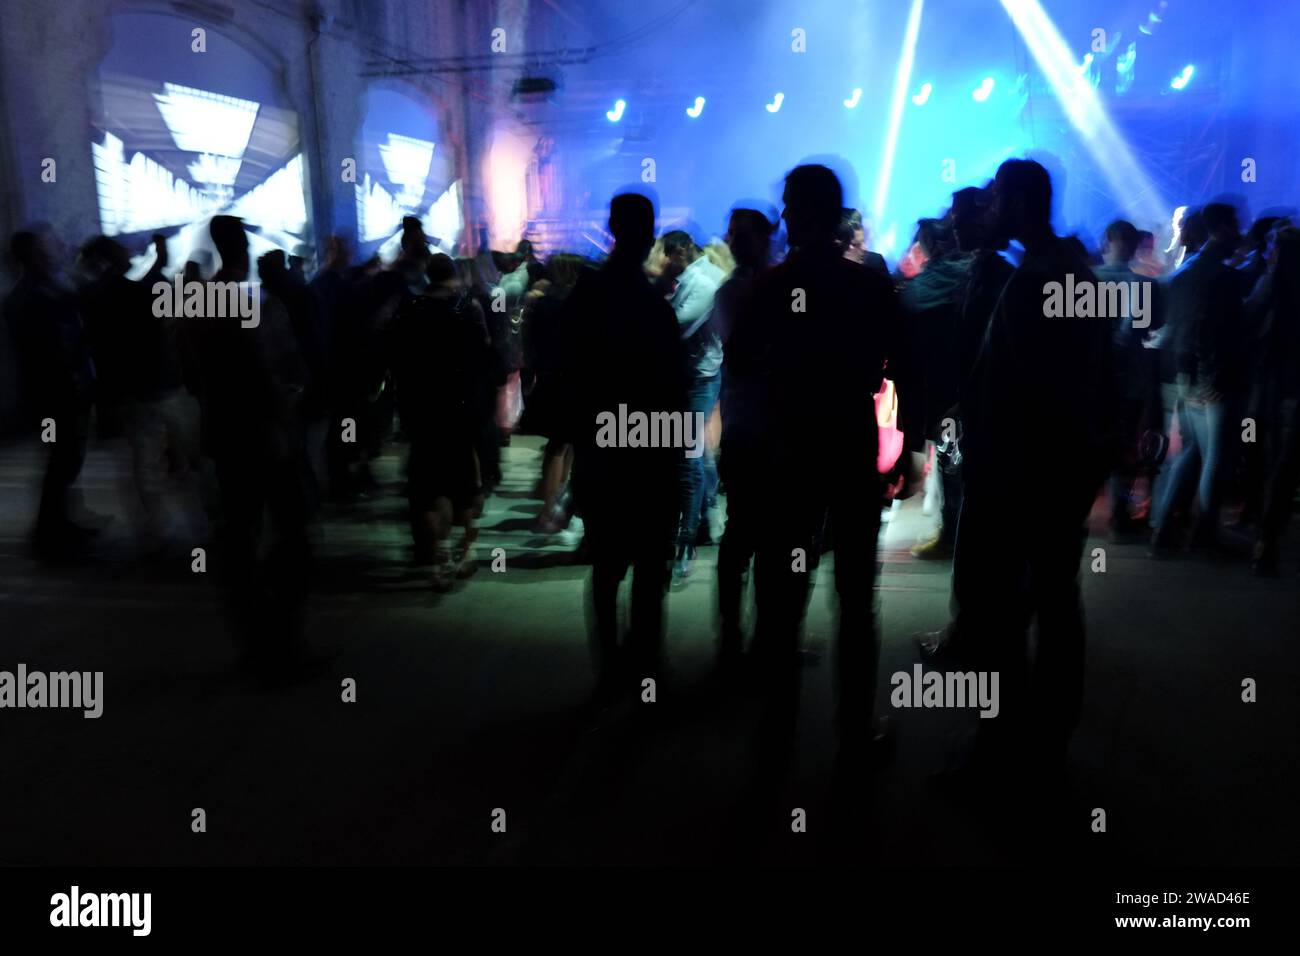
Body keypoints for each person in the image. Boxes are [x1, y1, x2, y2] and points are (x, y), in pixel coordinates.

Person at [727, 164, 902, 780]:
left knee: (780, 602)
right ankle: (854, 734)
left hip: (789, 454)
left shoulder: (770, 287)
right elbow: (902, 366)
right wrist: (902, 451)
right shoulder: (870, 285)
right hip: (850, 449)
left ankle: (775, 740)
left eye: (788, 206)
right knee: (856, 601)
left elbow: (742, 367)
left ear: (800, 213)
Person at [954, 159, 1115, 777]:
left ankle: (1000, 750)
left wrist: (994, 472)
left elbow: (1022, 396)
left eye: (995, 198)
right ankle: (1047, 740)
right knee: (1053, 600)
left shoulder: (1034, 282)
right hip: (1060, 473)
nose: (986, 210)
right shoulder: (1074, 272)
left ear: (1018, 203)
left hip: (1022, 477)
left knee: (1003, 613)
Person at [556, 192, 686, 706]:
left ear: (610, 227)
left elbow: (567, 375)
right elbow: (672, 392)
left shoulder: (587, 296)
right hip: (648, 454)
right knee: (649, 571)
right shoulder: (653, 306)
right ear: (650, 233)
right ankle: (646, 671)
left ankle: (611, 672)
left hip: (603, 451)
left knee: (608, 568)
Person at [388, 254, 496, 587]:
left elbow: (396, 358)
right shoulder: (467, 309)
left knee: (429, 486)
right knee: (464, 482)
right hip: (461, 409)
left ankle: (441, 559)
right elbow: (484, 355)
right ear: (453, 275)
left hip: (422, 410)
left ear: (427, 275)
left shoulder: (410, 309)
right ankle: (468, 550)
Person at [1150, 203, 1244, 553]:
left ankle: (1161, 532)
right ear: (1219, 227)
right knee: (1216, 460)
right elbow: (1220, 333)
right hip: (1213, 380)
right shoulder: (1224, 277)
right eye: (1235, 222)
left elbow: (1179, 328)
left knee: (1189, 452)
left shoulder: (1184, 272)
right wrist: (1214, 379)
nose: (1240, 229)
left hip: (1185, 376)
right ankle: (1204, 535)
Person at [4, 226, 97, 561]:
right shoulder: (31, 297)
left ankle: (60, 525)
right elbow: (52, 351)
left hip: (59, 395)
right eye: (53, 246)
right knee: (61, 462)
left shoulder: (38, 290)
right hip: (53, 399)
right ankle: (48, 536)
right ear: (36, 255)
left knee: (65, 461)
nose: (60, 249)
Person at [714, 206, 776, 670]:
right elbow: (739, 357)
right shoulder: (737, 290)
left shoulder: (745, 289)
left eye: (738, 233)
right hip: (753, 429)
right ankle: (745, 639)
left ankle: (744, 640)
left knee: (747, 537)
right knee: (752, 537)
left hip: (757, 429)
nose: (731, 240)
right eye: (731, 233)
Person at [660, 229, 726, 583]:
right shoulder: (696, 276)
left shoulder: (704, 281)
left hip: (699, 377)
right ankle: (709, 510)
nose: (663, 262)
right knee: (695, 455)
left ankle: (685, 544)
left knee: (688, 458)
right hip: (693, 376)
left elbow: (676, 326)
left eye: (666, 255)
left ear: (681, 250)